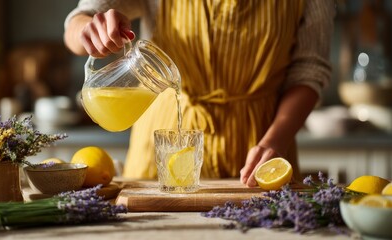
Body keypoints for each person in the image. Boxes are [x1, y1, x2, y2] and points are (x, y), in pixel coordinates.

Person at [64, 0, 335, 187]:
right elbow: (79, 20)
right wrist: (89, 31)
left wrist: (276, 141)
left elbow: (309, 71)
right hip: (162, 143)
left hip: (263, 138)